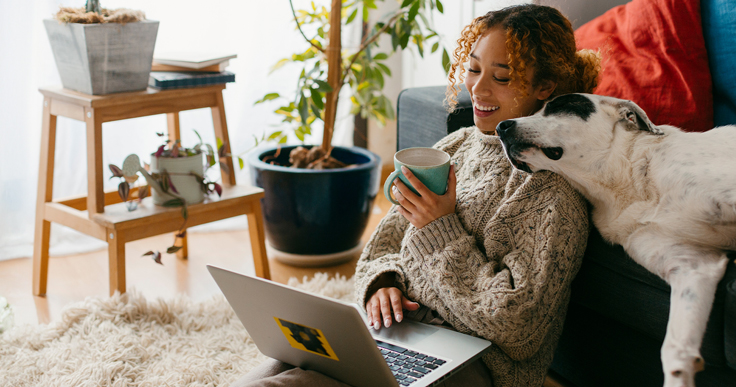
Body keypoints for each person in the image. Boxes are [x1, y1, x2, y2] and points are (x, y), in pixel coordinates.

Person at [233, 4, 601, 387]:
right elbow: (382, 248)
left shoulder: (552, 186)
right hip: (401, 333)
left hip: (477, 365)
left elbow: (517, 326)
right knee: (277, 368)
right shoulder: (456, 146)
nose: (477, 88)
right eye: (473, 69)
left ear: (545, 86)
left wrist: (439, 227)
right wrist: (383, 284)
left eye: (502, 77)